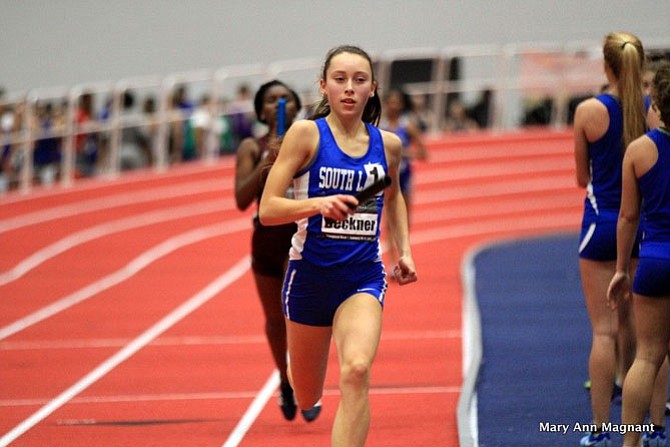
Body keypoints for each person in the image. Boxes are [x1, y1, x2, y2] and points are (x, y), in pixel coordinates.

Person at [258, 45, 418, 447]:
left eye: (359, 80)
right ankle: (299, 368)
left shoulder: (389, 145)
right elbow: (268, 209)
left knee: (356, 370)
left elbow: (394, 196)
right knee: (308, 394)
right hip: (309, 279)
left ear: (372, 89)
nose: (349, 89)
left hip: (361, 277)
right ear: (324, 86)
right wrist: (317, 204)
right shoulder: (306, 135)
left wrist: (404, 250)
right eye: (340, 79)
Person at [573, 32, 665, 447]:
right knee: (648, 339)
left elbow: (581, 178)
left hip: (600, 225)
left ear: (605, 66)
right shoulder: (654, 110)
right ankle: (650, 425)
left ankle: (598, 431)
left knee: (604, 331)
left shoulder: (589, 112)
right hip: (643, 227)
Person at [234, 80, 305, 421]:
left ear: (297, 105)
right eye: (273, 99)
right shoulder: (251, 146)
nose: (280, 104)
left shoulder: (313, 139)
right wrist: (266, 160)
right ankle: (285, 379)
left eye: (286, 98)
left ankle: (305, 381)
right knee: (276, 319)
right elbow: (241, 199)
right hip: (267, 238)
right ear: (261, 110)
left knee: (307, 316)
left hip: (304, 236)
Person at [607, 61, 670, 447]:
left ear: (658, 103)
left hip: (656, 259)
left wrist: (619, 270)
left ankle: (630, 442)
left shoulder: (640, 150)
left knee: (647, 356)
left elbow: (628, 216)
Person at [379, 88, 426, 271]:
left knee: (404, 219)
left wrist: (403, 153)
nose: (393, 105)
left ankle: (403, 256)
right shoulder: (379, 126)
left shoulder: (408, 126)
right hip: (385, 177)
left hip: (404, 176)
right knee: (388, 219)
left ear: (401, 104)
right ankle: (391, 261)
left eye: (396, 102)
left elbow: (424, 153)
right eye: (390, 101)